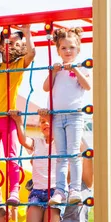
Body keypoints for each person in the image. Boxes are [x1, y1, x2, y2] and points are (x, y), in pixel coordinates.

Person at [0, 26, 36, 208]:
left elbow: (32, 53)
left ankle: (14, 190)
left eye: (15, 44)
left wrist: (27, 33)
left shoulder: (18, 65)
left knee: (11, 156)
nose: (11, 46)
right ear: (1, 45)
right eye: (8, 42)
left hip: (8, 118)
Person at [43, 28, 91, 206]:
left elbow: (87, 86)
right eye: (63, 48)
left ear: (78, 49)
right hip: (57, 117)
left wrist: (76, 70)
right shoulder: (57, 69)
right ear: (58, 51)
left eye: (71, 47)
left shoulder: (82, 67)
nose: (67, 51)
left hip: (74, 116)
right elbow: (46, 87)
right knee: (60, 155)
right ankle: (60, 190)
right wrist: (54, 71)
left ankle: (75, 189)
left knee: (73, 154)